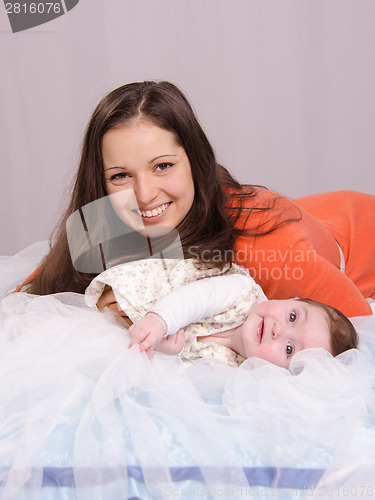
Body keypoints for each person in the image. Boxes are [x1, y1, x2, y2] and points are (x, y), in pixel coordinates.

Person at [17, 81, 375, 318]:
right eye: (121, 175)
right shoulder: (110, 216)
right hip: (313, 215)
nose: (143, 195)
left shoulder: (262, 248)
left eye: (163, 166)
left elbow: (359, 333)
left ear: (196, 161)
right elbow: (34, 296)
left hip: (362, 235)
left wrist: (154, 307)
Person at [84, 258, 358, 369]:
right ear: (292, 299)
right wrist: (159, 321)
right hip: (154, 297)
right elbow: (195, 299)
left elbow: (189, 368)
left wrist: (170, 351)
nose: (279, 330)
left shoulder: (237, 369)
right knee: (101, 313)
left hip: (143, 335)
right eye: (293, 317)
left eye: (288, 348)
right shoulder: (242, 293)